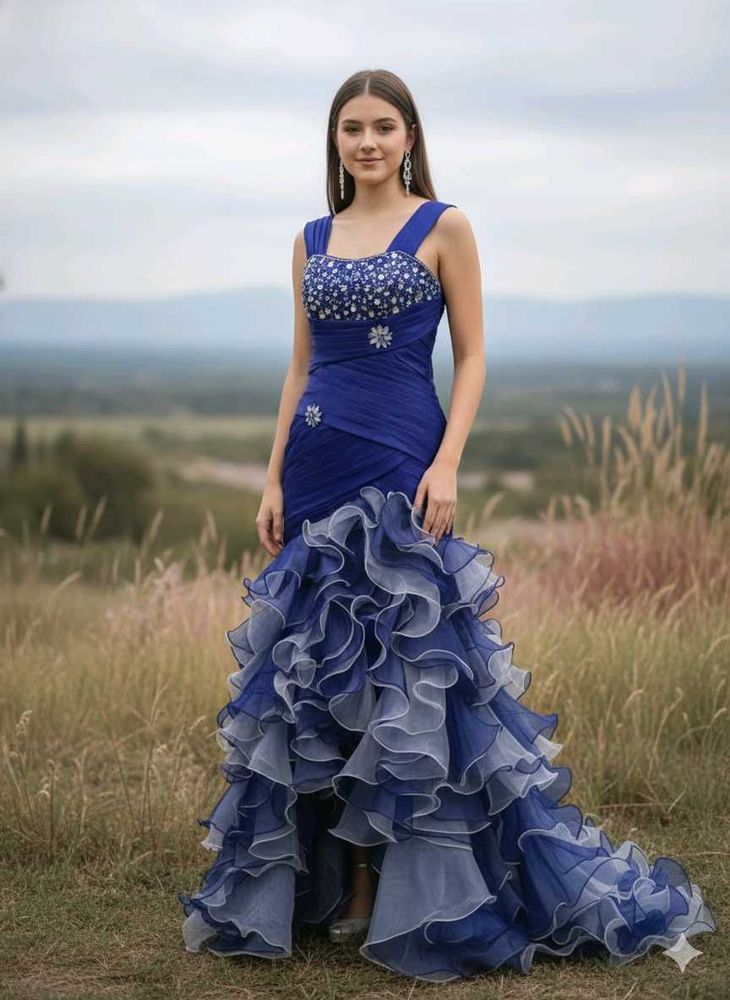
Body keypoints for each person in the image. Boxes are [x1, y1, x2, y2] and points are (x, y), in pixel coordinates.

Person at [178, 69, 717, 982]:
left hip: (400, 465)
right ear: (335, 142)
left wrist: (448, 461)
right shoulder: (312, 238)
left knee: (408, 677)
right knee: (319, 682)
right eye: (352, 129)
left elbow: (470, 356)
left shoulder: (445, 225)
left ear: (411, 135)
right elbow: (298, 368)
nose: (368, 144)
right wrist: (271, 478)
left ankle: (413, 885)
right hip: (314, 473)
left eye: (383, 127)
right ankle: (346, 885)